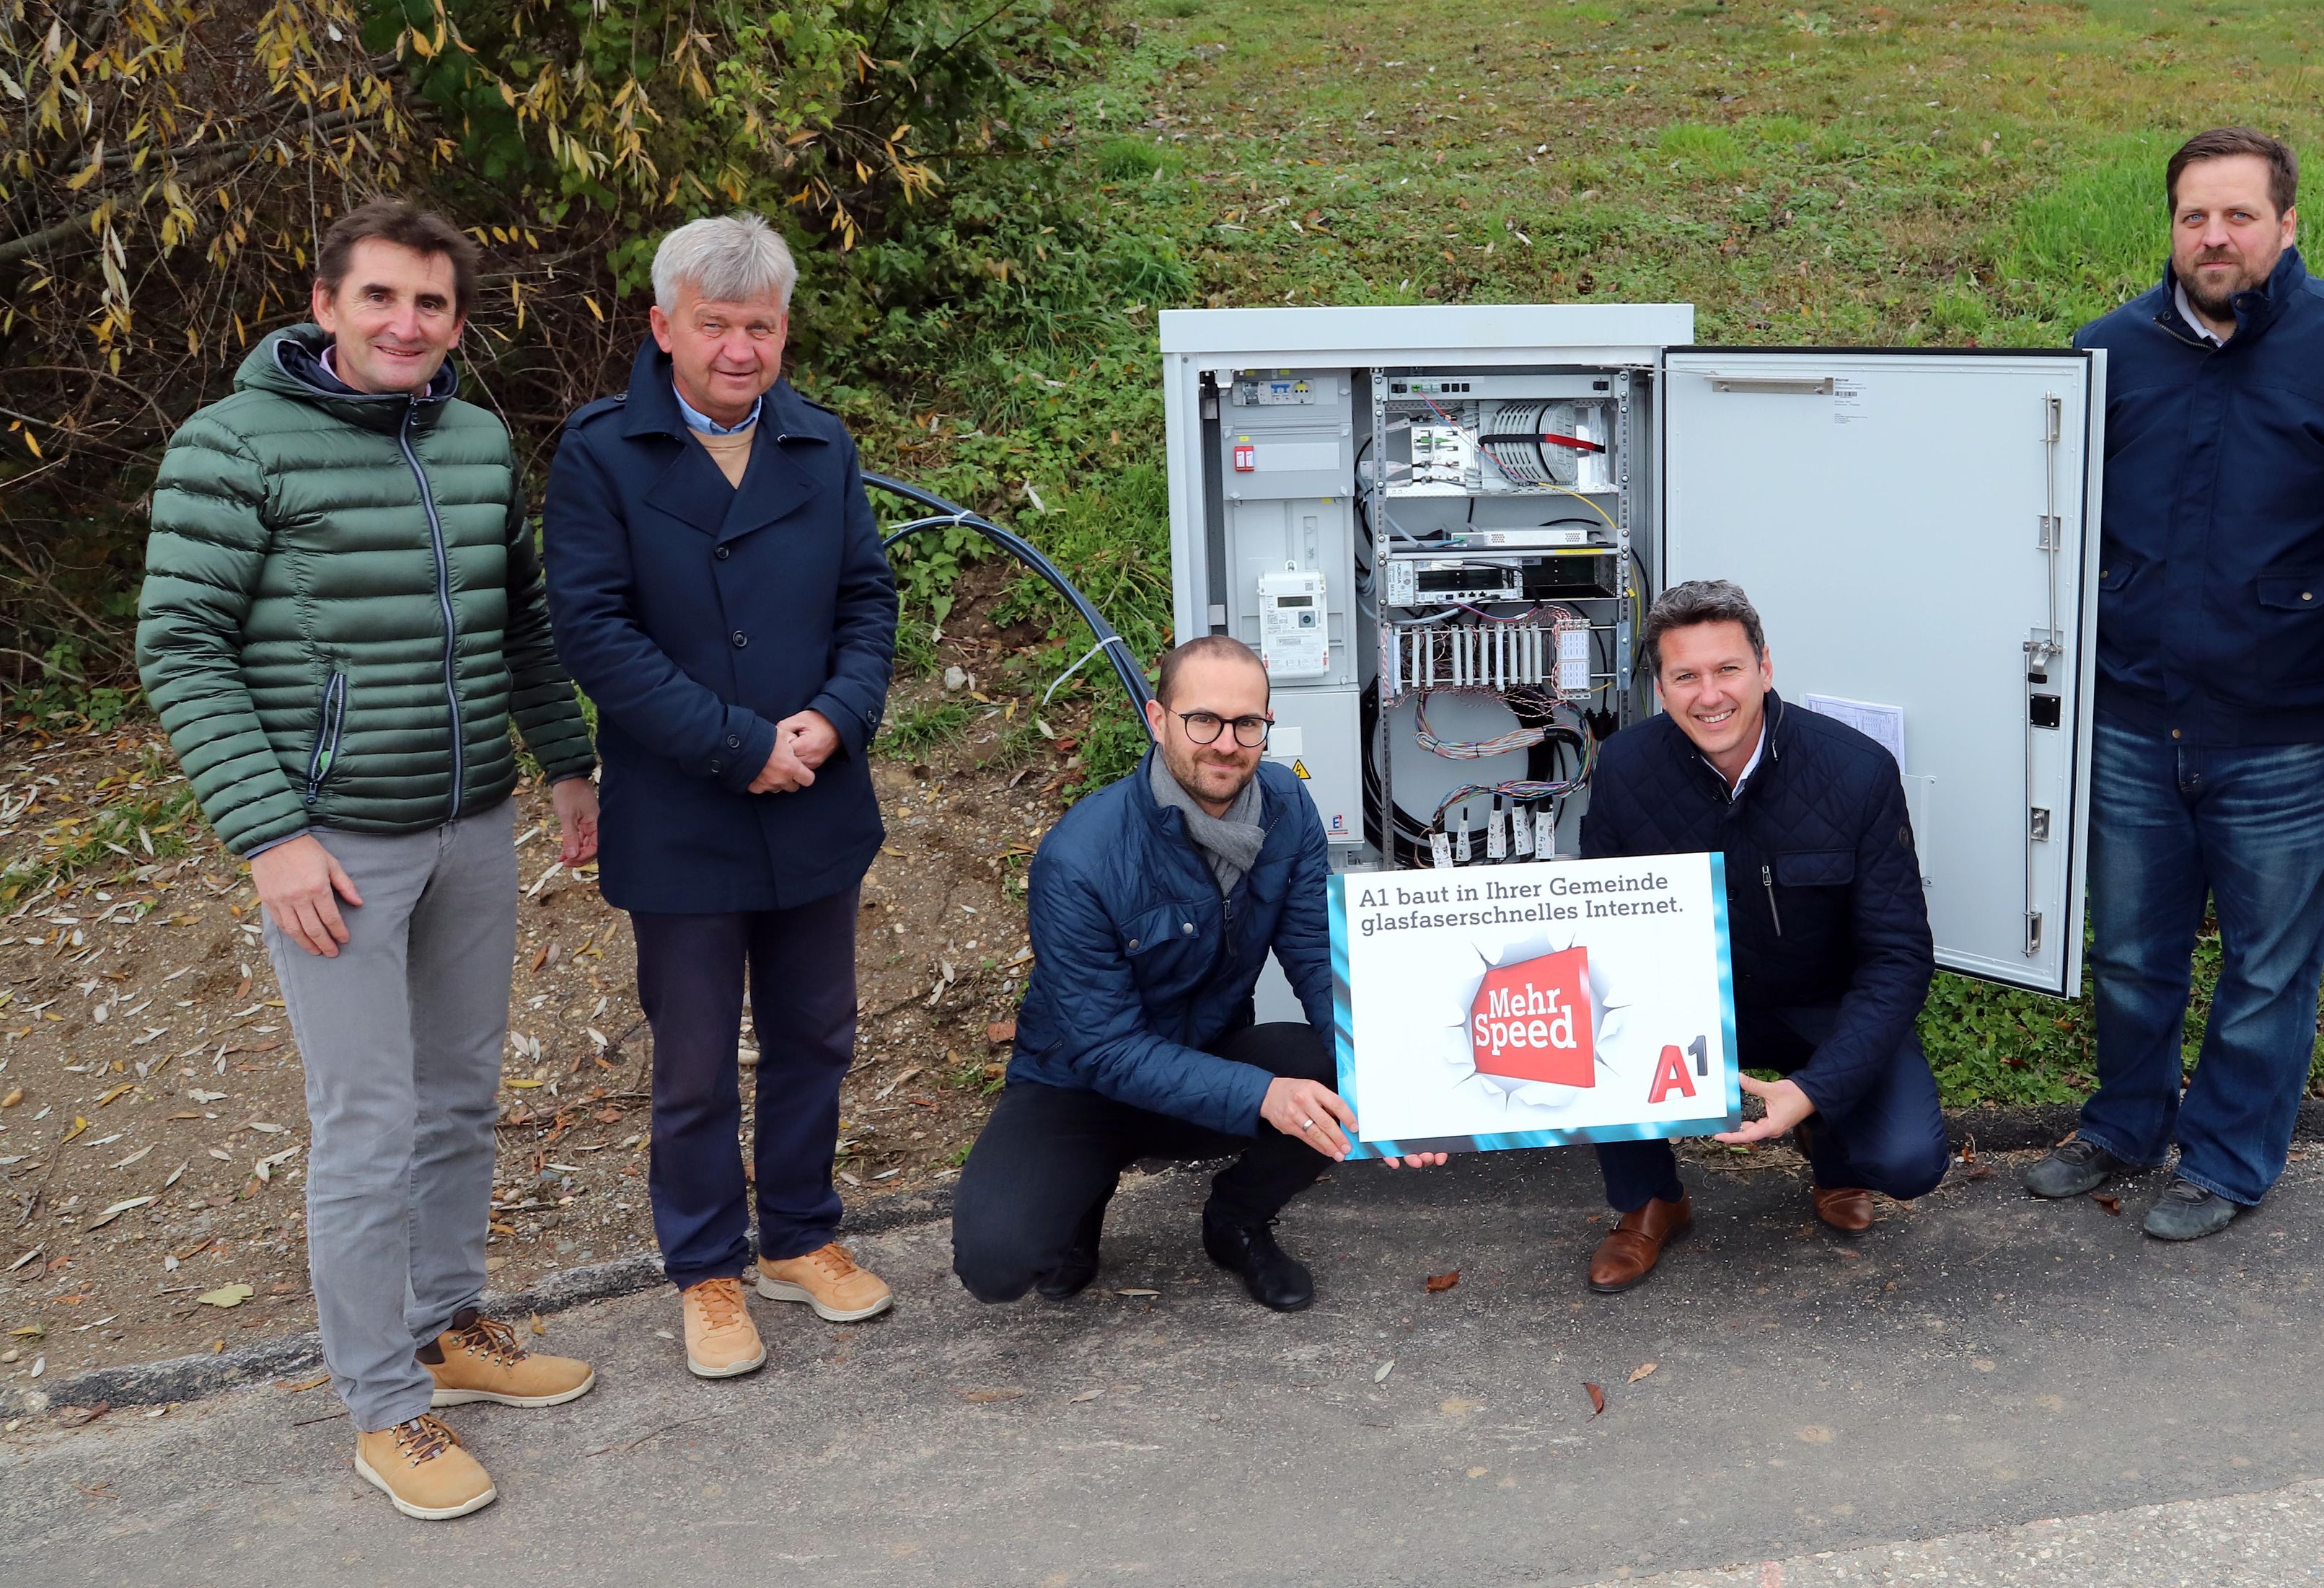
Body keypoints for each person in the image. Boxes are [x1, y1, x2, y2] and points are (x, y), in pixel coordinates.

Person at [136, 200, 602, 1521]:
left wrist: (566, 762)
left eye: (434, 304)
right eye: (383, 297)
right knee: (366, 1122)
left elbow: (521, 618)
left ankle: (448, 1319)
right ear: (326, 302)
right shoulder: (230, 445)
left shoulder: (470, 437)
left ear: (458, 320)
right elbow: (181, 646)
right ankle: (384, 1403)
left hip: (469, 825)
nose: (408, 324)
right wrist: (271, 836)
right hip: (330, 846)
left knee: (457, 1095)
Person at [2024, 128, 2324, 1240]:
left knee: (2265, 970)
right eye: (2195, 216)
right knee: (2130, 953)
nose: (2215, 237)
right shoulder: (2104, 353)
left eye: (2240, 216)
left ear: (2288, 225)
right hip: (2133, 721)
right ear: (2171, 227)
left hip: (2293, 732)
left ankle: (2229, 1158)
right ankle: (2123, 1124)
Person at [541, 213, 900, 1380]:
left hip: (814, 795)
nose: (739, 348)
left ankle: (801, 1234)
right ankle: (706, 1268)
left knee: (816, 1034)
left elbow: (868, 602)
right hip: (685, 807)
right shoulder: (601, 455)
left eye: (759, 325)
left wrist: (834, 719)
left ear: (782, 330)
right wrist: (738, 742)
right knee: (693, 1063)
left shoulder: (821, 446)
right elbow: (593, 632)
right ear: (664, 326)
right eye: (715, 325)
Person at [951, 635, 1442, 1312]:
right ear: (1159, 721)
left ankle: (1236, 1222)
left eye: (1247, 723)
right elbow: (1105, 1048)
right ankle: (1079, 1204)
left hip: (1204, 1055)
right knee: (997, 1265)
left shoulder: (1286, 806)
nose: (1225, 742)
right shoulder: (1079, 858)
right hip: (1079, 1083)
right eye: (1203, 720)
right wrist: (1261, 1095)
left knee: (1335, 1068)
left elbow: (1316, 958)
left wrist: (1392, 1090)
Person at [1572, 581, 1948, 1294]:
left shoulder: (1856, 771)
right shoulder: (1624, 769)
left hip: (1822, 1004)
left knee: (1907, 1160)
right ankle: (1650, 1201)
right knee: (1594, 1000)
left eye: (1727, 670)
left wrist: (1814, 1089)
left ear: (1765, 668)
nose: (1708, 695)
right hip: (1686, 1004)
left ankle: (1829, 1149)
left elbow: (1898, 958)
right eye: (1685, 676)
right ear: (1660, 686)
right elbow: (1599, 929)